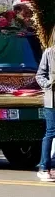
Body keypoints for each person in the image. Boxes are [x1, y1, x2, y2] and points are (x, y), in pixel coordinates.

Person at [35, 38, 55, 181]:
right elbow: (39, 75)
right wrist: (49, 84)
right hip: (52, 101)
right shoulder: (49, 53)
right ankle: (44, 167)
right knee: (51, 132)